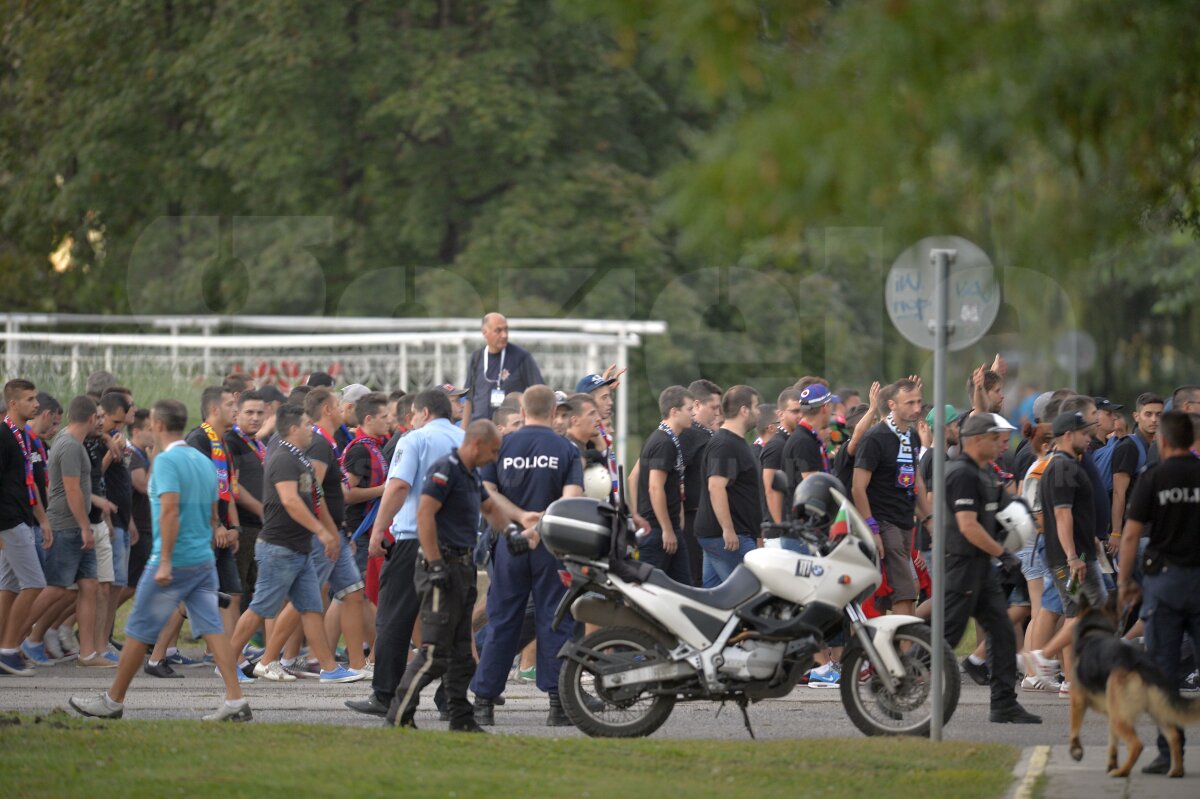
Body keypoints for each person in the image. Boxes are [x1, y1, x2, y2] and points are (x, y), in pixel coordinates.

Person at [68, 399, 251, 721]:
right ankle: (235, 700)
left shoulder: (168, 462)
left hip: (174, 559)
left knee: (138, 629)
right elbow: (213, 510)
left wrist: (164, 561)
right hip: (202, 558)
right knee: (212, 626)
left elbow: (168, 511)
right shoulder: (204, 459)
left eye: (151, 421)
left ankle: (112, 701)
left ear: (159, 425)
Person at [388, 420, 528, 730]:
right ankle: (398, 716)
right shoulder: (446, 468)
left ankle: (460, 719)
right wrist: (435, 563)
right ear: (476, 444)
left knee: (462, 653)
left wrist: (512, 533)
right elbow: (424, 513)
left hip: (462, 566)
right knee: (435, 652)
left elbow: (490, 508)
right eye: (493, 451)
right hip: (441, 565)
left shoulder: (470, 473)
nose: (495, 458)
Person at [346, 389, 465, 717]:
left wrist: (379, 531)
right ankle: (451, 699)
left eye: (411, 414)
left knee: (394, 618)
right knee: (451, 624)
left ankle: (385, 694)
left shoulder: (414, 440)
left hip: (413, 538)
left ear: (423, 412)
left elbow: (399, 486)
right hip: (456, 542)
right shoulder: (467, 439)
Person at [224, 404, 363, 684]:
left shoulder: (300, 459)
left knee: (311, 607)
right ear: (292, 429)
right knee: (261, 607)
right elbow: (290, 501)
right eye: (306, 424)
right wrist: (321, 533)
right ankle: (226, 663)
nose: (311, 429)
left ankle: (329, 669)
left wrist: (331, 533)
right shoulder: (284, 458)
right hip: (279, 547)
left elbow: (316, 499)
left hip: (298, 547)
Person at [471, 386, 582, 727]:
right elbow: (571, 498)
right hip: (552, 544)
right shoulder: (566, 449)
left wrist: (517, 522)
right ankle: (557, 704)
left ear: (522, 408)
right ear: (553, 413)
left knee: (503, 619)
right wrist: (538, 528)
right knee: (556, 621)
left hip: (509, 542)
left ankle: (485, 702)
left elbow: (486, 493)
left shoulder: (504, 446)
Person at [940, 413, 1041, 724]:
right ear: (975, 440)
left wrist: (1018, 507)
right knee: (945, 639)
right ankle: (893, 684)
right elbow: (968, 527)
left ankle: (1003, 703)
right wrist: (1004, 554)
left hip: (982, 567)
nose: (1001, 442)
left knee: (1002, 634)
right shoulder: (961, 474)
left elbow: (999, 509)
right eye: (994, 437)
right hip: (962, 566)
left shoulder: (984, 473)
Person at [1117, 410, 1200, 775]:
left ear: (1163, 441)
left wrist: (1124, 583)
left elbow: (1132, 534)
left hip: (1164, 585)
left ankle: (1170, 753)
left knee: (1164, 671)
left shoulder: (1154, 478)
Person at [20, 397, 106, 668]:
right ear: (91, 418)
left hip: (79, 527)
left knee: (89, 586)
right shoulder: (69, 445)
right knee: (55, 588)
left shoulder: (70, 442)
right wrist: (84, 526)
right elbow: (71, 490)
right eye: (99, 417)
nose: (101, 422)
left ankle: (88, 654)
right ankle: (13, 639)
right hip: (67, 526)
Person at [1027, 411, 1109, 694]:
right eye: (1084, 433)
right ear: (1067, 436)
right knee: (1088, 612)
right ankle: (1045, 655)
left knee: (1080, 613)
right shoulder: (1062, 469)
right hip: (1070, 561)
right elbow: (1062, 515)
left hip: (1080, 556)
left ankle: (1074, 681)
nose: (1089, 438)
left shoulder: (1067, 465)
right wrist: (1073, 557)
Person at [853, 377, 923, 616]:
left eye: (918, 402)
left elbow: (916, 482)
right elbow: (858, 487)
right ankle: (908, 651)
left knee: (890, 595)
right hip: (884, 522)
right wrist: (872, 528)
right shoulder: (876, 438)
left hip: (905, 521)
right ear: (892, 404)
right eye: (909, 403)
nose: (916, 408)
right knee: (906, 591)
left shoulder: (912, 437)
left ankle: (885, 649)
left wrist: (930, 518)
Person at [0, 380, 52, 676]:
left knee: (7, 588)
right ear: (13, 404)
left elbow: (30, 483)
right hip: (9, 520)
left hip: (24, 517)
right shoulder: (3, 436)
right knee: (34, 585)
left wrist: (43, 520)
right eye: (30, 399)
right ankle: (8, 650)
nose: (36, 404)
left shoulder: (24, 436)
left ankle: (2, 648)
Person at [185, 385, 243, 632]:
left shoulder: (222, 441)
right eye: (230, 404)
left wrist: (235, 527)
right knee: (189, 597)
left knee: (230, 593)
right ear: (213, 409)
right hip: (202, 529)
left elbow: (227, 489)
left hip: (220, 528)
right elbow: (200, 487)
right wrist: (215, 524)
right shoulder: (198, 439)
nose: (236, 410)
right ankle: (156, 656)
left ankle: (231, 659)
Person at [693, 385, 761, 588]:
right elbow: (716, 486)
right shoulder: (726, 444)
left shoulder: (734, 443)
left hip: (723, 535)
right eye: (755, 407)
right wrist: (728, 529)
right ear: (744, 410)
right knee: (750, 593)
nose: (758, 412)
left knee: (714, 598)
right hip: (729, 537)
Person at [634, 386, 695, 584]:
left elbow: (634, 478)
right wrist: (667, 528)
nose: (693, 414)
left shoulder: (665, 439)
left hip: (667, 528)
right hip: (658, 531)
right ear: (674, 412)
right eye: (689, 409)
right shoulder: (663, 443)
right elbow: (655, 487)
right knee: (647, 593)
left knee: (684, 589)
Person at [1108, 392, 1164, 559]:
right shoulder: (1129, 447)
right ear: (1136, 416)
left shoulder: (1157, 446)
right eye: (1148, 414)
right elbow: (1119, 493)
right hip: (1134, 535)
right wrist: (1116, 533)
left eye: (1159, 414)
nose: (1154, 419)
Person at [226, 390, 267, 608]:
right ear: (237, 413)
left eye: (260, 412)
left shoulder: (257, 442)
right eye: (249, 412)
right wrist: (261, 509)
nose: (255, 417)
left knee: (255, 588)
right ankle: (228, 642)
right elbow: (235, 486)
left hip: (260, 525)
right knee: (235, 589)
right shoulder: (232, 441)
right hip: (244, 525)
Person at [463, 313, 544, 424]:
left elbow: (538, 392)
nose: (504, 335)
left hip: (509, 428)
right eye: (498, 331)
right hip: (480, 427)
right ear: (484, 332)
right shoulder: (477, 357)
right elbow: (469, 397)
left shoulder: (521, 357)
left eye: (506, 330)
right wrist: (463, 431)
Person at [761, 388, 802, 523]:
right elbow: (770, 490)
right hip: (780, 531)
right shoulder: (777, 445)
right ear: (780, 414)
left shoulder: (793, 441)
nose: (801, 415)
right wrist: (781, 527)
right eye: (795, 411)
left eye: (803, 410)